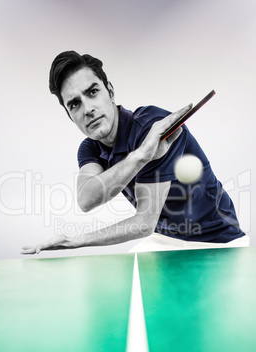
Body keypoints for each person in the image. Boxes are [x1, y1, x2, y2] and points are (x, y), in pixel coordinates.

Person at [21, 51, 248, 255]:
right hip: (166, 238)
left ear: (110, 92)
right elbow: (86, 199)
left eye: (92, 92)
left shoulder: (153, 126)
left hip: (217, 242)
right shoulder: (90, 147)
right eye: (74, 104)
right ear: (70, 115)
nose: (87, 109)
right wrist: (141, 156)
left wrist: (76, 240)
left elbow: (144, 222)